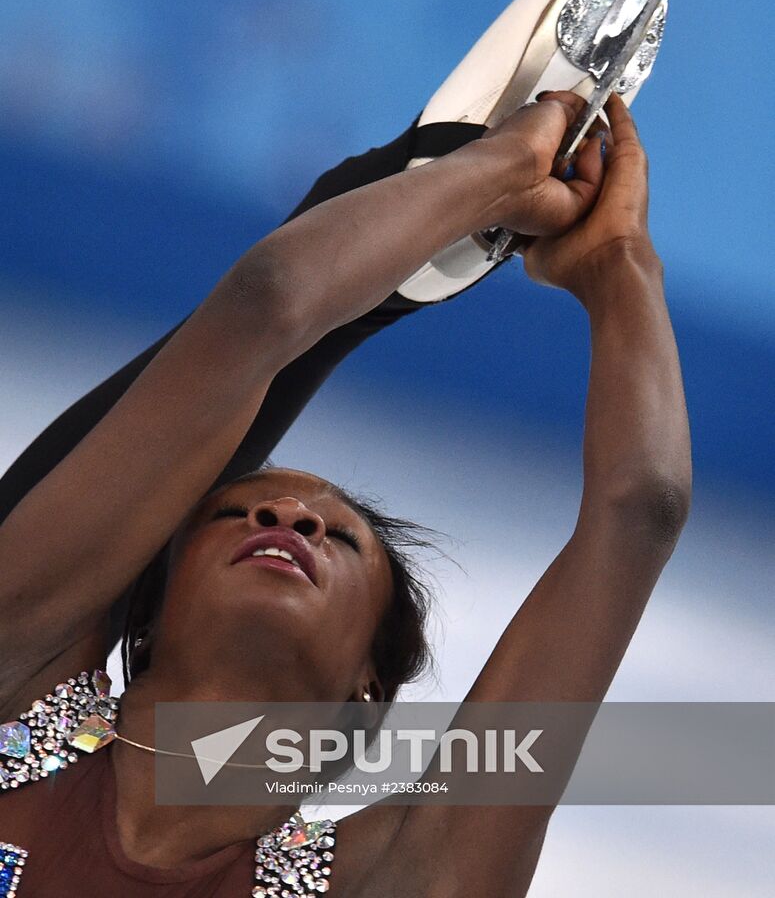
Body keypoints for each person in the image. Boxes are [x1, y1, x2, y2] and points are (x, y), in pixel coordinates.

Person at [0, 80, 691, 897]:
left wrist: (618, 262)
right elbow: (265, 306)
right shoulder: (14, 685)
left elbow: (638, 510)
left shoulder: (394, 876)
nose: (286, 513)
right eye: (234, 512)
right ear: (142, 613)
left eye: (340, 537)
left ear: (373, 675)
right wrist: (500, 168)